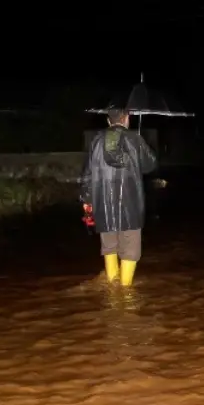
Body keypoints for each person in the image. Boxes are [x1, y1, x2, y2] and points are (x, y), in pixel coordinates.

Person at [80, 107, 159, 287]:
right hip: (130, 206)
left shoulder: (96, 141)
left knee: (109, 246)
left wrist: (87, 201)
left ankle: (112, 293)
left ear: (109, 121)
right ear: (127, 119)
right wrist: (141, 145)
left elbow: (86, 175)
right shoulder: (135, 139)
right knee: (130, 249)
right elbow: (150, 165)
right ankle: (125, 293)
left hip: (103, 206)